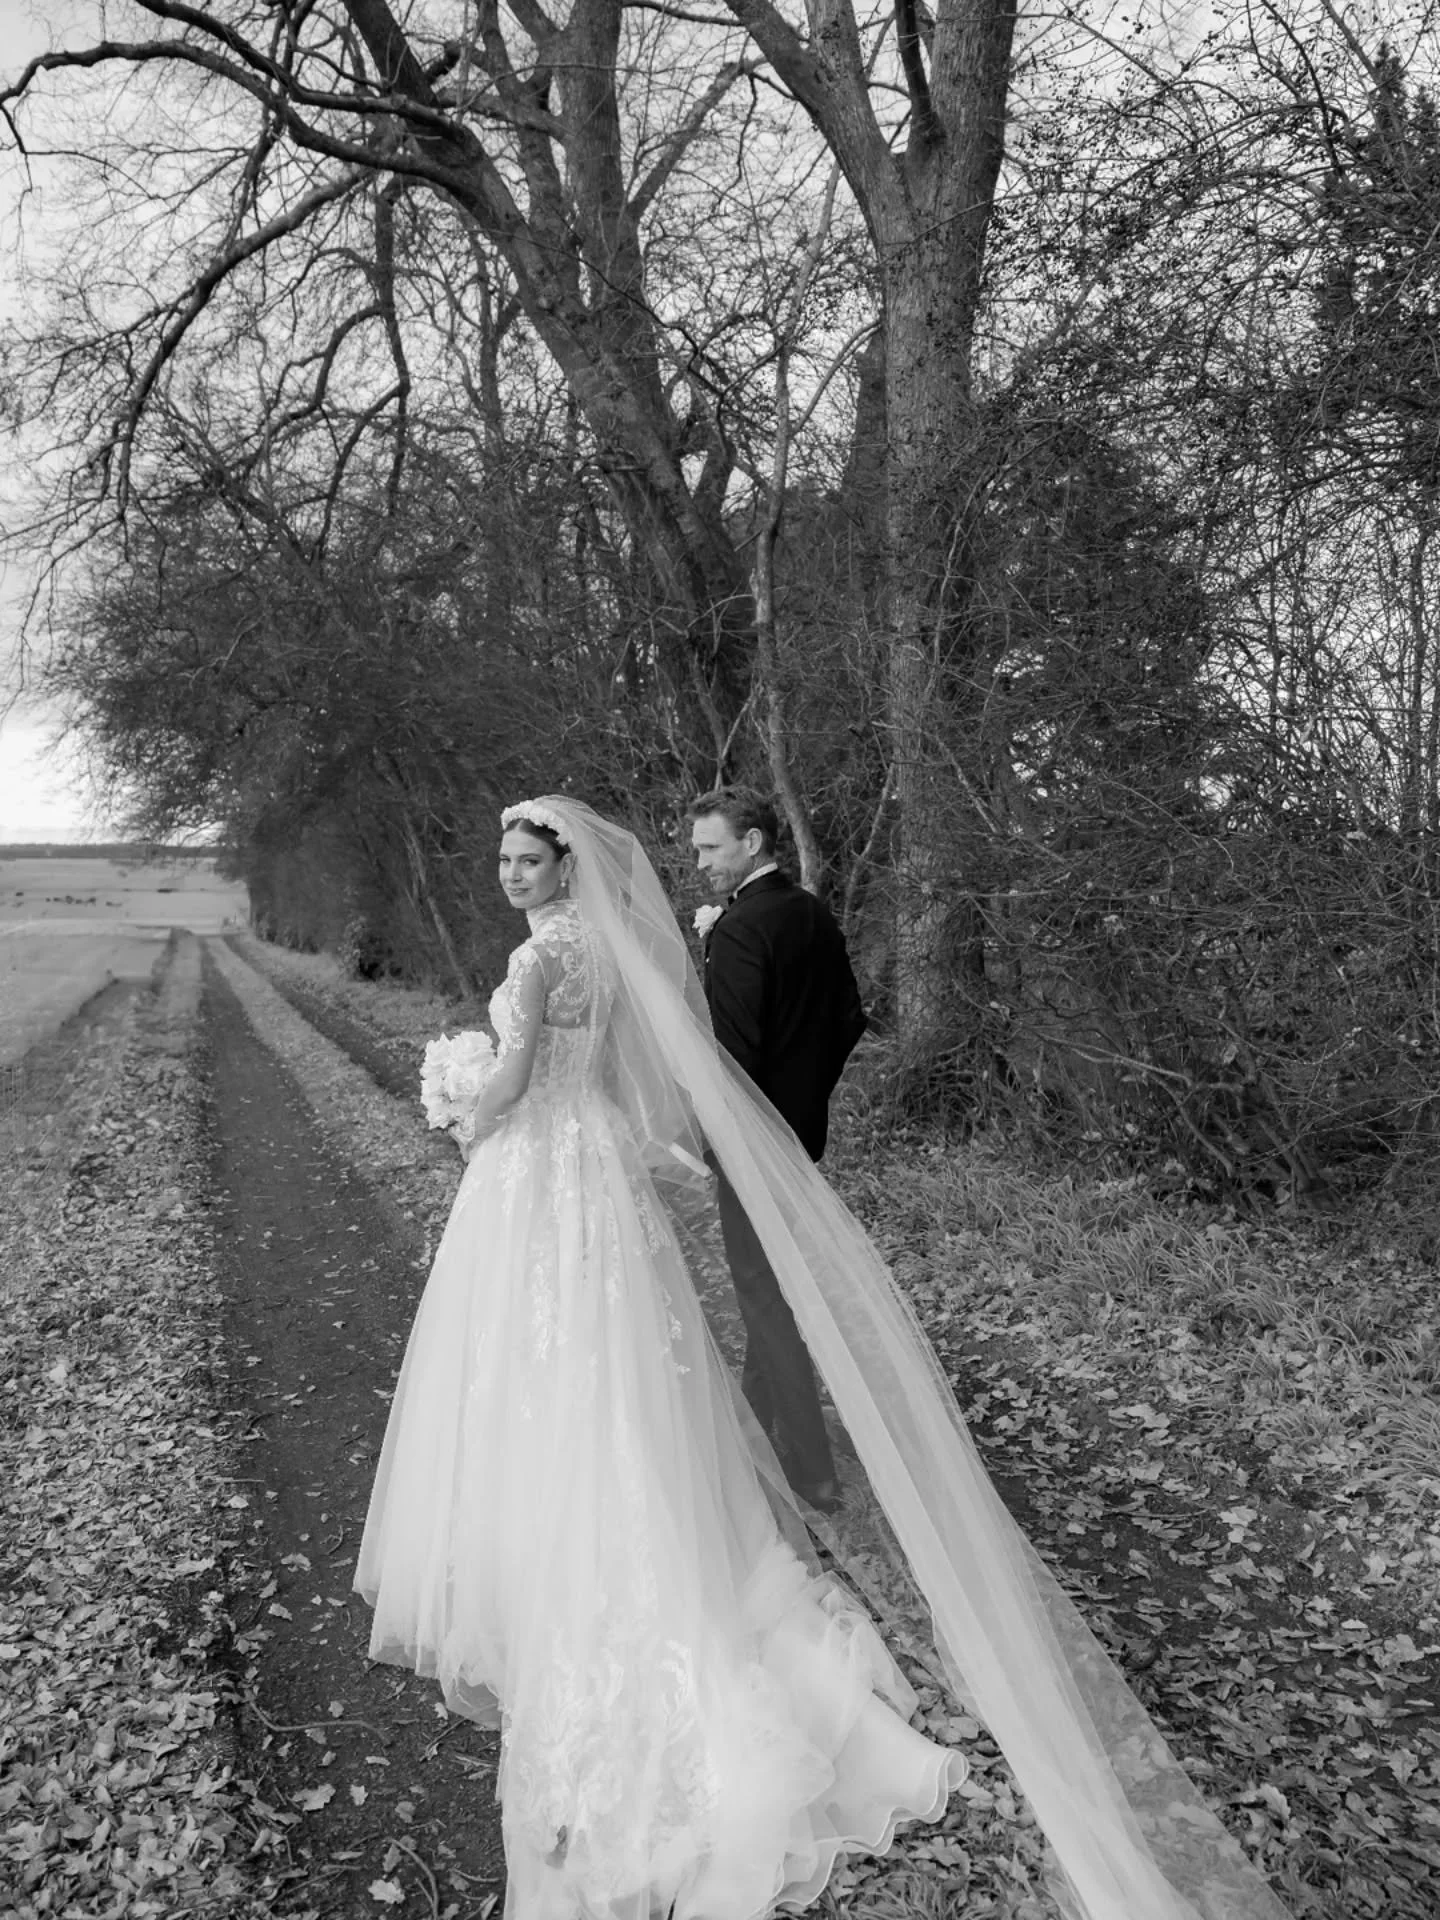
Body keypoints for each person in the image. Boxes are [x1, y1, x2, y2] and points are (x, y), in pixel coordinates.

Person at [356, 796, 1294, 1920]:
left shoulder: (542, 956)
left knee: (549, 1350)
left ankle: (581, 1533)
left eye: (527, 858)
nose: (511, 873)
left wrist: (464, 1107)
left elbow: (515, 1083)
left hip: (540, 1168)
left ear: (565, 867)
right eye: (502, 858)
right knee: (612, 1351)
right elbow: (626, 1072)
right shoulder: (612, 948)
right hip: (593, 1169)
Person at [689, 789, 865, 1511]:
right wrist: (806, 1097)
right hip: (798, 1136)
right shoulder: (812, 913)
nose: (700, 863)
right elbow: (849, 1019)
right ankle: (755, 1432)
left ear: (754, 843)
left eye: (710, 848)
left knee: (765, 1301)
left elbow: (730, 1058)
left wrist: (718, 1137)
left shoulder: (739, 929)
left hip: (750, 1144)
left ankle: (811, 1469)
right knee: (772, 1287)